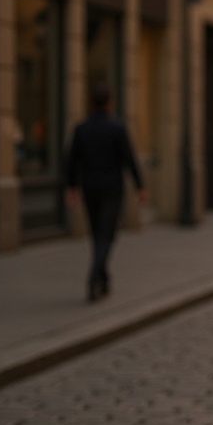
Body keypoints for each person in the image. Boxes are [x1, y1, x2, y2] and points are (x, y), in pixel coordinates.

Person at [65, 84, 146, 302]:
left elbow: (72, 160)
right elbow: (129, 158)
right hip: (111, 188)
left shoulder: (81, 129)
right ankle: (94, 278)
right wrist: (140, 186)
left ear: (92, 103)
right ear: (109, 103)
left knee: (96, 233)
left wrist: (72, 187)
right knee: (106, 234)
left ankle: (103, 277)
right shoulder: (117, 128)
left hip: (89, 187)